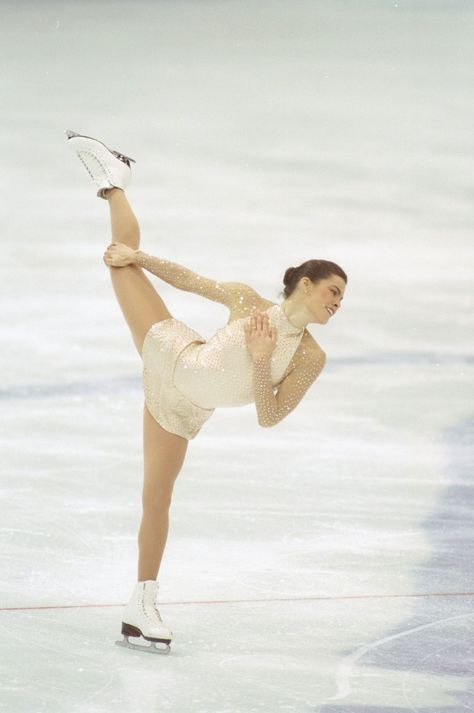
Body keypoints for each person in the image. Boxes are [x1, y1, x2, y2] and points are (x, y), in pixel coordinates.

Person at [66, 131, 347, 653]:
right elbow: (192, 281)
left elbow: (269, 416)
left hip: (181, 407)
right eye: (333, 291)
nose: (337, 303)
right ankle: (114, 181)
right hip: (170, 350)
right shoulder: (247, 302)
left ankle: (140, 603)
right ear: (305, 284)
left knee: (156, 498)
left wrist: (263, 364)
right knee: (119, 259)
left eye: (342, 299)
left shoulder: (310, 357)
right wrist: (140, 257)